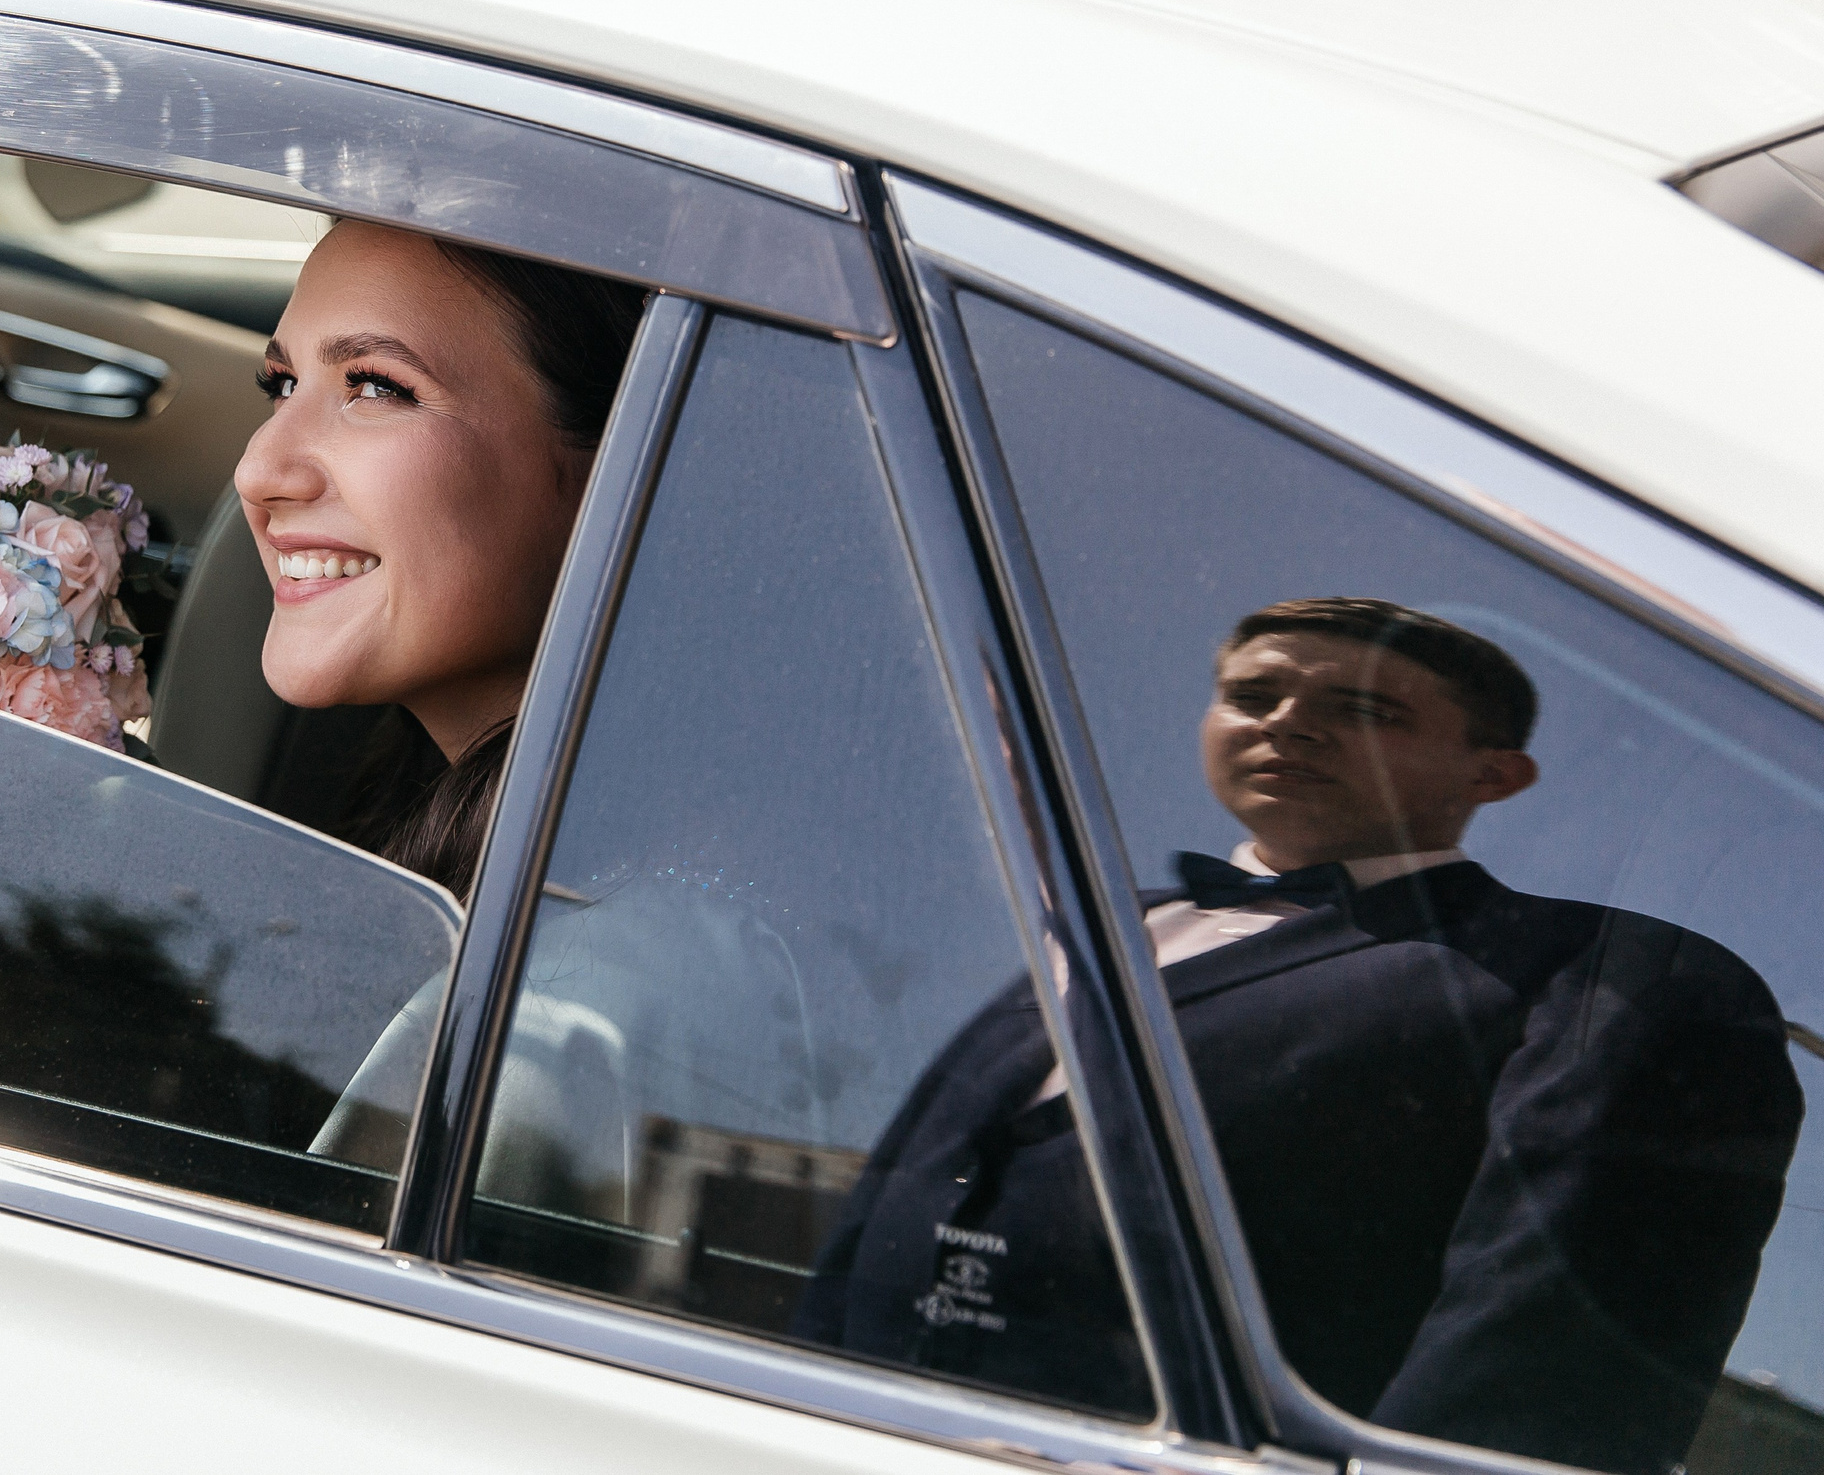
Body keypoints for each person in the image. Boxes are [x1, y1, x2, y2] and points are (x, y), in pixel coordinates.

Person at [795, 598, 1803, 1474]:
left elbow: (1545, 1343)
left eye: (1365, 707)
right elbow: (910, 1176)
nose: (1291, 724)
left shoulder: (1593, 972)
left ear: (1494, 772)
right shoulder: (1095, 922)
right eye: (1254, 694)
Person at [232, 219, 644, 900]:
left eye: (376, 387)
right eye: (282, 384)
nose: (256, 471)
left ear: (617, 471)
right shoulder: (457, 822)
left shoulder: (609, 944)